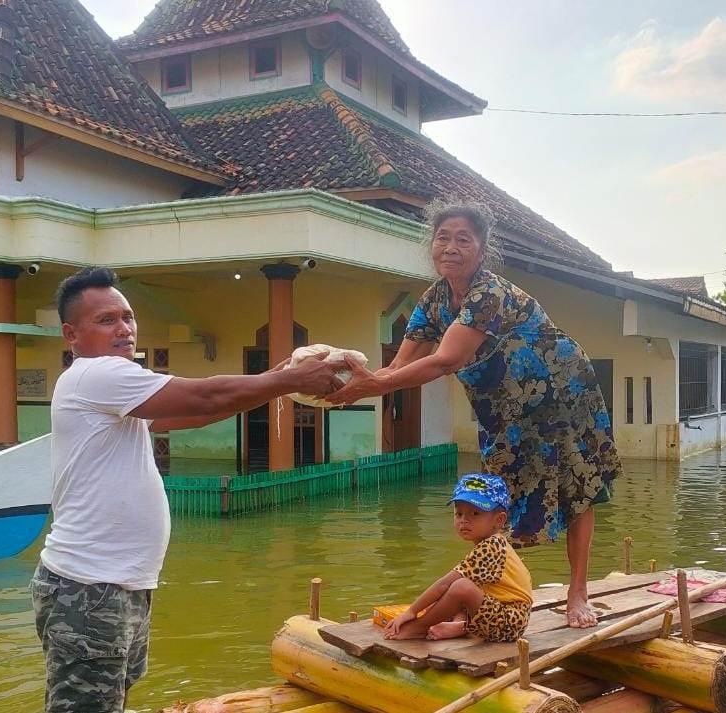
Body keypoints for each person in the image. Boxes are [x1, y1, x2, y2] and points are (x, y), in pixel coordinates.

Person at [32, 266, 343, 713]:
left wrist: (279, 374)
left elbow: (197, 413)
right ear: (71, 335)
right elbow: (204, 397)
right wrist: (290, 381)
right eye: (106, 320)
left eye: (128, 317)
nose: (124, 329)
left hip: (118, 584)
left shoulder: (115, 390)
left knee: (111, 701)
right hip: (89, 585)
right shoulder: (96, 376)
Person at [331, 200, 621, 629]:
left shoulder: (488, 293)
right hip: (502, 405)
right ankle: (496, 592)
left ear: (482, 250)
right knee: (495, 497)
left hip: (560, 392)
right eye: (443, 238)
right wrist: (345, 387)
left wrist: (373, 385)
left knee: (576, 487)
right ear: (432, 245)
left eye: (463, 240)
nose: (450, 247)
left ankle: (577, 592)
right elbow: (397, 367)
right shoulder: (433, 301)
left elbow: (446, 360)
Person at [385, 473, 532, 642]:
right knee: (460, 587)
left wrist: (412, 612)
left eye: (475, 513)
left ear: (499, 520)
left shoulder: (492, 546)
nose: (464, 520)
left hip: (508, 624)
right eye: (459, 513)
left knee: (462, 586)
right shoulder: (491, 543)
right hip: (496, 612)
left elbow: (444, 584)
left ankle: (419, 628)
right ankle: (459, 625)